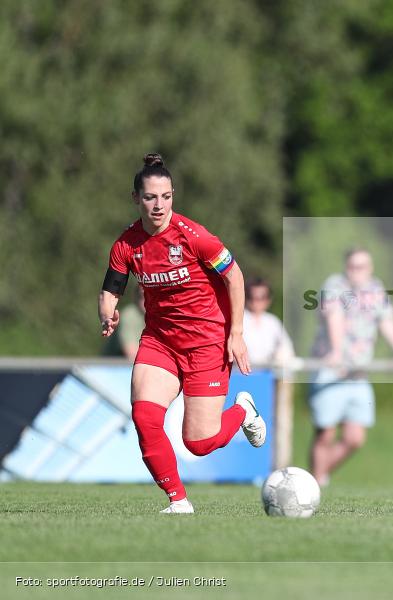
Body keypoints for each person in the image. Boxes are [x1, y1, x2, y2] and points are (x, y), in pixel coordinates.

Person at [98, 153, 266, 514]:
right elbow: (112, 287)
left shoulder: (195, 237)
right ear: (136, 199)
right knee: (144, 417)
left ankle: (243, 410)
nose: (158, 205)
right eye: (150, 197)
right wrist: (107, 311)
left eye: (166, 196)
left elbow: (234, 275)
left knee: (199, 443)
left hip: (206, 344)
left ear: (173, 195)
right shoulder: (127, 244)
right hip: (160, 340)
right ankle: (179, 502)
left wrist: (236, 333)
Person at [308, 248, 393, 485]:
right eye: (353, 266)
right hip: (332, 370)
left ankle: (312, 478)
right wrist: (337, 352)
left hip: (358, 374)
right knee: (325, 434)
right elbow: (334, 317)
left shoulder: (376, 289)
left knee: (355, 438)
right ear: (346, 267)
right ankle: (315, 484)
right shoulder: (335, 285)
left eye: (363, 267)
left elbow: (388, 323)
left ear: (370, 268)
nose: (357, 272)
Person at [243, 277, 295, 368]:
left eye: (262, 297)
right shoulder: (237, 320)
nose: (256, 301)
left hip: (268, 374)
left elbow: (287, 348)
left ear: (268, 300)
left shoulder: (273, 322)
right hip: (239, 374)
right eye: (252, 296)